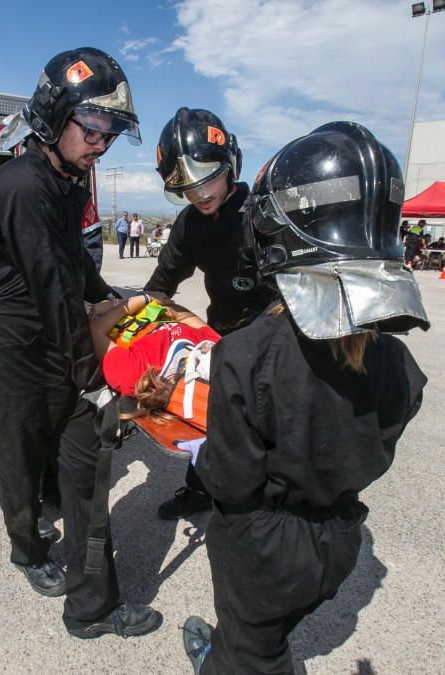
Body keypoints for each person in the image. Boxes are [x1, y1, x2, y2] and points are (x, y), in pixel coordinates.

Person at [181, 121, 428, 674]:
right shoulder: (397, 361)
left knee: (254, 652)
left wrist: (193, 445)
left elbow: (229, 481)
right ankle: (233, 650)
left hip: (262, 550)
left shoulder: (246, 355)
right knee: (272, 629)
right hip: (339, 537)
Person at [0, 46, 161, 639]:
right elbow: (53, 290)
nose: (101, 143)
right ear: (54, 116)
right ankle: (27, 549)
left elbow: (73, 264)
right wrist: (95, 376)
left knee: (73, 464)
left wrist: (113, 300)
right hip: (11, 352)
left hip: (53, 340)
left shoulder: (64, 180)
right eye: (93, 127)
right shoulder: (26, 186)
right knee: (20, 464)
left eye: (110, 132)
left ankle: (86, 588)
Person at [143, 107, 277, 520]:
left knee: (271, 423)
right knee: (208, 411)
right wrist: (133, 332)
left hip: (277, 332)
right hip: (223, 332)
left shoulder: (265, 215)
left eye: (208, 178)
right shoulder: (189, 223)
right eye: (186, 186)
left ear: (229, 164)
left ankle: (270, 501)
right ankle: (200, 489)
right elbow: (160, 286)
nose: (200, 193)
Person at [88, 293, 219, 405]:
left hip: (97, 318)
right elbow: (182, 315)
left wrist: (138, 300)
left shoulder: (138, 376)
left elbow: (95, 331)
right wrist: (123, 303)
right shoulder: (214, 345)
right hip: (130, 308)